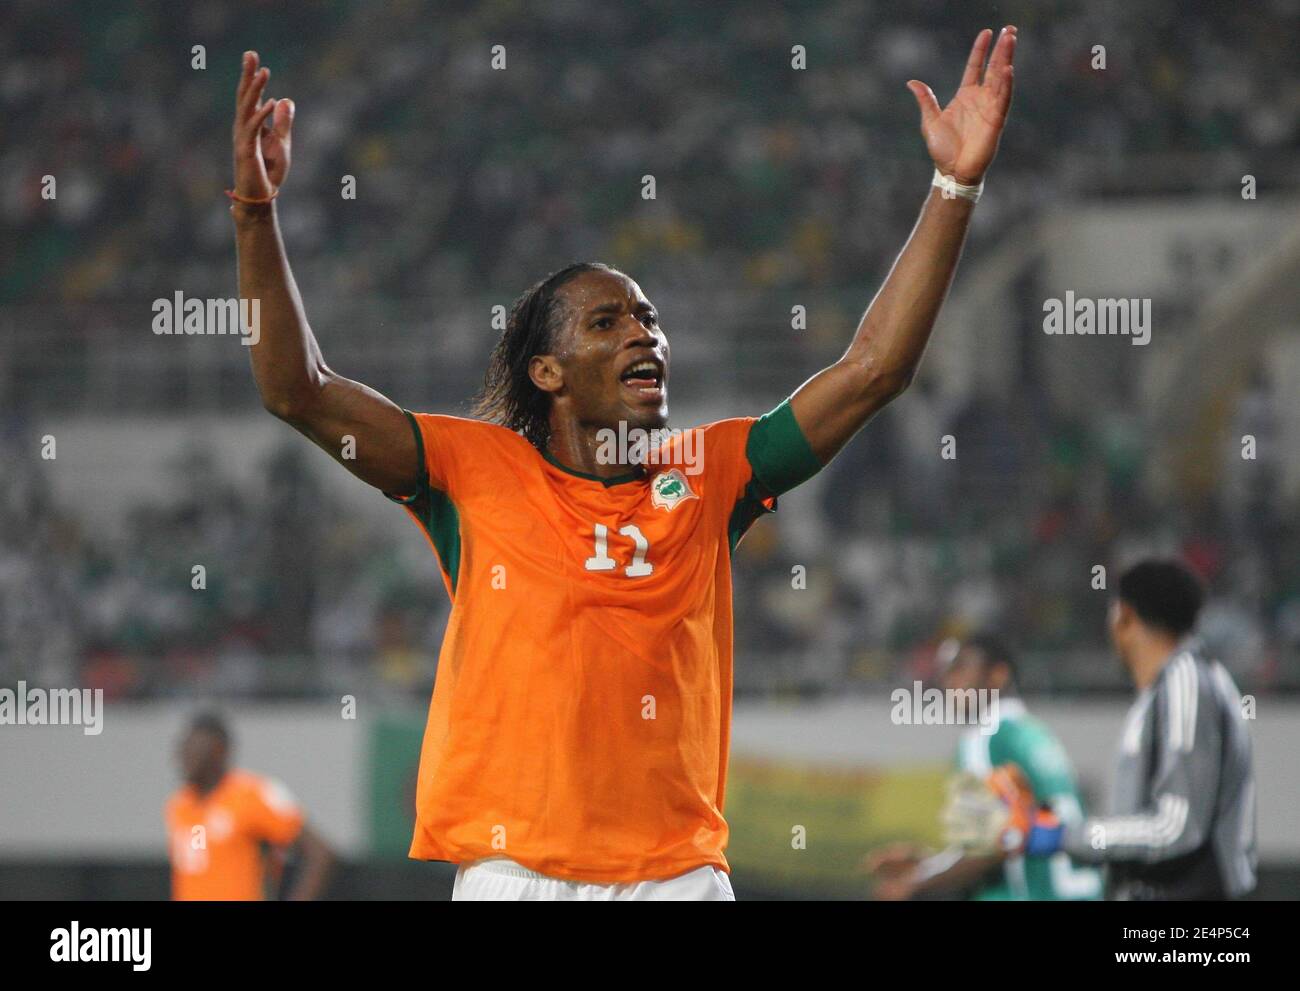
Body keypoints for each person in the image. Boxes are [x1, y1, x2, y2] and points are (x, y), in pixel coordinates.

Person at [227, 26, 1018, 899]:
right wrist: (256, 217)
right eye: (608, 322)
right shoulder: (469, 468)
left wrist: (955, 185)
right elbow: (299, 390)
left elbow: (874, 370)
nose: (644, 333)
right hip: (513, 872)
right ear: (547, 371)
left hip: (671, 879)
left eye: (649, 319)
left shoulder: (712, 470)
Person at [1000, 561, 1257, 900]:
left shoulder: (1186, 683)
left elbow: (1176, 826)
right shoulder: (1166, 689)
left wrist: (1067, 836)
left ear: (1124, 615)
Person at [868, 634, 1101, 900]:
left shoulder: (987, 735)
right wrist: (928, 864)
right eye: (945, 673)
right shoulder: (1031, 732)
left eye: (961, 668)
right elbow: (1016, 830)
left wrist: (915, 880)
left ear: (997, 675)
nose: (950, 681)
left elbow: (990, 843)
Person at [165, 711, 334, 900]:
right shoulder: (179, 804)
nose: (185, 759)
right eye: (184, 751)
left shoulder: (252, 794)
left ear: (219, 751)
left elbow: (319, 853)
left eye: (195, 751)